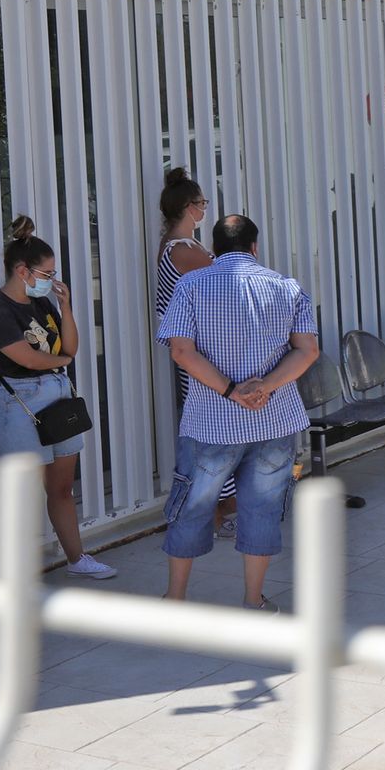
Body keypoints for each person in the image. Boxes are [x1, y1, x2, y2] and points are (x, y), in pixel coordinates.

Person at [156, 215, 319, 612]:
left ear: (215, 247)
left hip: (211, 422)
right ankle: (252, 599)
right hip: (275, 419)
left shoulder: (191, 284)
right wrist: (264, 386)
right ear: (254, 247)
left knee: (192, 505)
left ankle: (175, 599)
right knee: (262, 508)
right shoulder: (287, 287)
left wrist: (231, 390)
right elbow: (307, 350)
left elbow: (181, 351)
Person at [0, 217, 114, 579]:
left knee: (62, 486)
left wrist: (65, 306)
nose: (52, 280)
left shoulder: (43, 305)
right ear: (22, 270)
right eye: (47, 273)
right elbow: (26, 357)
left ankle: (77, 558)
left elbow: (70, 347)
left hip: (56, 393)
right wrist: (63, 361)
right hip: (19, 399)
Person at [155, 167, 238, 540]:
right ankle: (219, 511)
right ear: (190, 207)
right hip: (203, 352)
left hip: (201, 349)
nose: (205, 209)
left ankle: (220, 508)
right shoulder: (184, 249)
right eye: (202, 202)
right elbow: (226, 286)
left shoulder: (179, 246)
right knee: (216, 428)